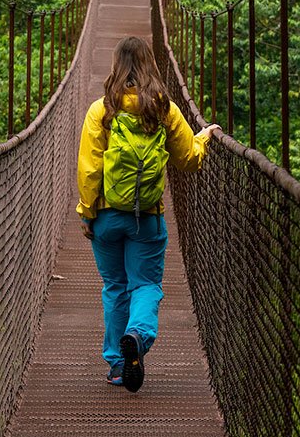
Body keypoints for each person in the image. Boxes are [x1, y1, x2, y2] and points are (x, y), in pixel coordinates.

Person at [77, 36, 219, 393]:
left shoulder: (101, 111)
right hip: (148, 218)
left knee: (114, 286)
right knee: (146, 285)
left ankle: (116, 365)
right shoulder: (162, 109)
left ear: (115, 67)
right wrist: (203, 138)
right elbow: (188, 159)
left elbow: (90, 169)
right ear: (150, 66)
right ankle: (137, 335)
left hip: (107, 216)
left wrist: (87, 212)